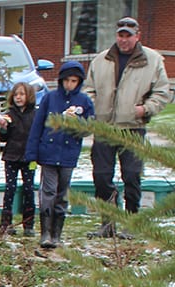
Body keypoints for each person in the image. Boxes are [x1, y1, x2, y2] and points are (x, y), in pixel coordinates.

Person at [83, 17, 173, 238]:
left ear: (137, 36)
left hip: (133, 127)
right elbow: (88, 89)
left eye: (128, 35)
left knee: (132, 176)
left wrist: (146, 109)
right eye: (120, 35)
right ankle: (108, 223)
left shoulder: (152, 60)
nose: (124, 40)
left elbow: (163, 92)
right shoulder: (100, 60)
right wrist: (94, 107)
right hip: (104, 128)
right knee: (102, 176)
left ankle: (131, 223)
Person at [25, 61, 94, 251]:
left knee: (62, 194)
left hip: (68, 155)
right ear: (61, 80)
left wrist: (77, 123)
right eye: (66, 80)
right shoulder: (49, 99)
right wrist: (31, 153)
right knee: (48, 192)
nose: (69, 84)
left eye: (74, 81)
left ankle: (57, 233)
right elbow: (37, 126)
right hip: (48, 152)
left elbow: (89, 128)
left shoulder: (84, 102)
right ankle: (45, 232)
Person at [0, 82, 37, 236]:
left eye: (22, 94)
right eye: (16, 94)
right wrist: (3, 128)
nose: (18, 97)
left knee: (28, 189)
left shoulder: (35, 115)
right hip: (12, 157)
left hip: (29, 158)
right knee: (10, 188)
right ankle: (6, 224)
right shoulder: (10, 114)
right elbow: (2, 137)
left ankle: (29, 224)